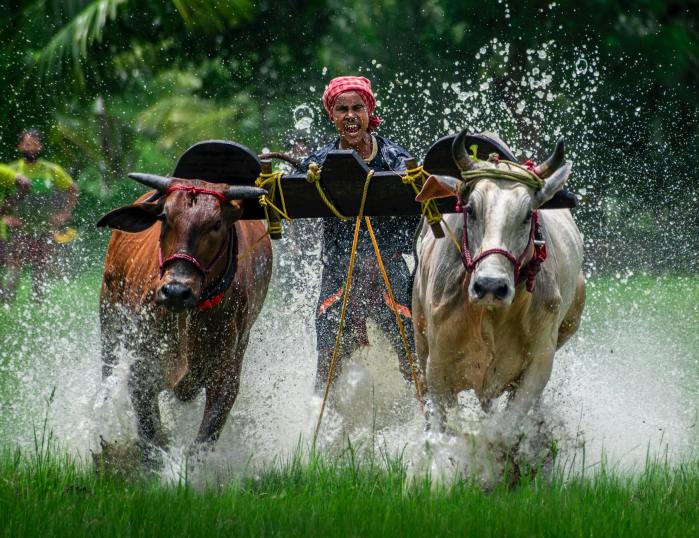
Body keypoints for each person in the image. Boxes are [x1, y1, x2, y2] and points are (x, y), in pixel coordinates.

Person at [297, 76, 420, 392]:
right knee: (327, 358)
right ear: (332, 116)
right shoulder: (318, 163)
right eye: (343, 109)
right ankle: (320, 412)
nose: (350, 116)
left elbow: (417, 200)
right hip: (340, 268)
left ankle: (425, 407)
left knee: (413, 352)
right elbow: (293, 192)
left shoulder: (394, 158)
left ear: (369, 112)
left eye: (357, 108)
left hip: (388, 266)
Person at [0, 129, 78, 302]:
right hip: (19, 229)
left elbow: (73, 189)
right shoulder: (11, 170)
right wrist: (4, 217)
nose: (31, 148)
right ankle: (7, 301)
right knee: (14, 267)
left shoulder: (51, 170)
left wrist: (64, 214)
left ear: (40, 147)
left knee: (41, 266)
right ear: (20, 146)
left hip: (45, 228)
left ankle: (38, 300)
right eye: (27, 144)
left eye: (35, 144)